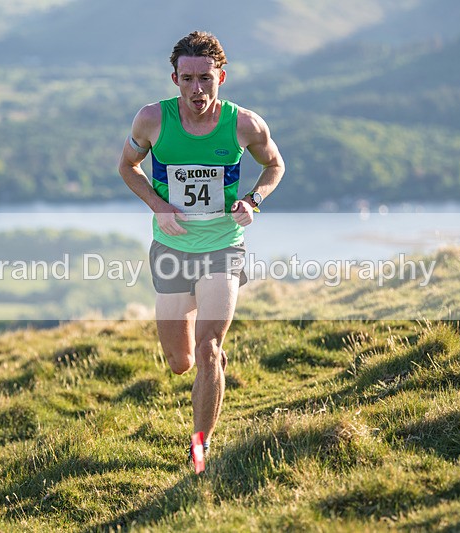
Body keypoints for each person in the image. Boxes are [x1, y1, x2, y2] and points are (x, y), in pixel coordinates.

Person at [118, 30, 284, 471]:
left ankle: (199, 447)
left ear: (221, 77)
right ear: (174, 78)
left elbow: (274, 165)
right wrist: (158, 205)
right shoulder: (152, 120)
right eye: (187, 78)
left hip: (222, 247)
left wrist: (253, 200)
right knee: (179, 361)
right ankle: (207, 366)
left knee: (209, 349)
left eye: (205, 79)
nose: (197, 89)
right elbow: (127, 167)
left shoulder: (244, 124)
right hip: (172, 248)